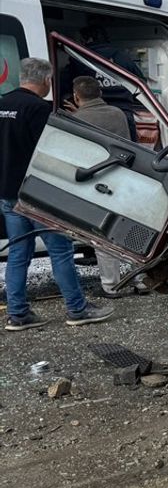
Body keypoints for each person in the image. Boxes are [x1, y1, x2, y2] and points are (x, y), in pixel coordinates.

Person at [1, 58, 114, 331]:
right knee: (60, 251)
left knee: (18, 254)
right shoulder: (39, 109)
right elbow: (52, 152)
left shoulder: (2, 103)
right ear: (45, 81)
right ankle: (77, 309)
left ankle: (18, 314)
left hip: (7, 193)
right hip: (38, 194)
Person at [68, 77, 147, 298]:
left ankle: (111, 285)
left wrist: (74, 115)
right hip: (123, 179)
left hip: (97, 184)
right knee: (131, 231)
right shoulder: (118, 114)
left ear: (76, 96)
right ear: (100, 93)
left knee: (103, 234)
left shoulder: (76, 119)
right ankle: (141, 281)